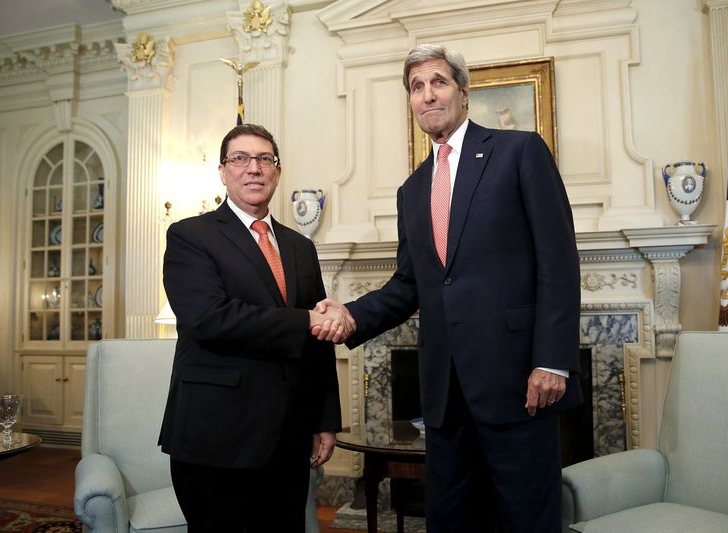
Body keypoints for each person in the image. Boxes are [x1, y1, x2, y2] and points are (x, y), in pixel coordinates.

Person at [315, 44, 582, 532]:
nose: (427, 95)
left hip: (518, 382)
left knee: (526, 520)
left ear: (463, 90)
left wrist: (552, 360)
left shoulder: (520, 151)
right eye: (416, 87)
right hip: (443, 393)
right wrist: (351, 315)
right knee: (451, 521)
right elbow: (408, 285)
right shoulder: (412, 190)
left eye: (437, 82)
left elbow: (559, 262)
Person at [159, 124, 351, 532]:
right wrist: (304, 320)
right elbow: (210, 318)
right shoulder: (190, 236)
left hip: (288, 437)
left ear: (277, 172)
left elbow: (317, 345)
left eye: (265, 159)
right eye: (240, 159)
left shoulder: (300, 247)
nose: (254, 168)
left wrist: (326, 419)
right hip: (217, 437)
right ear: (223, 171)